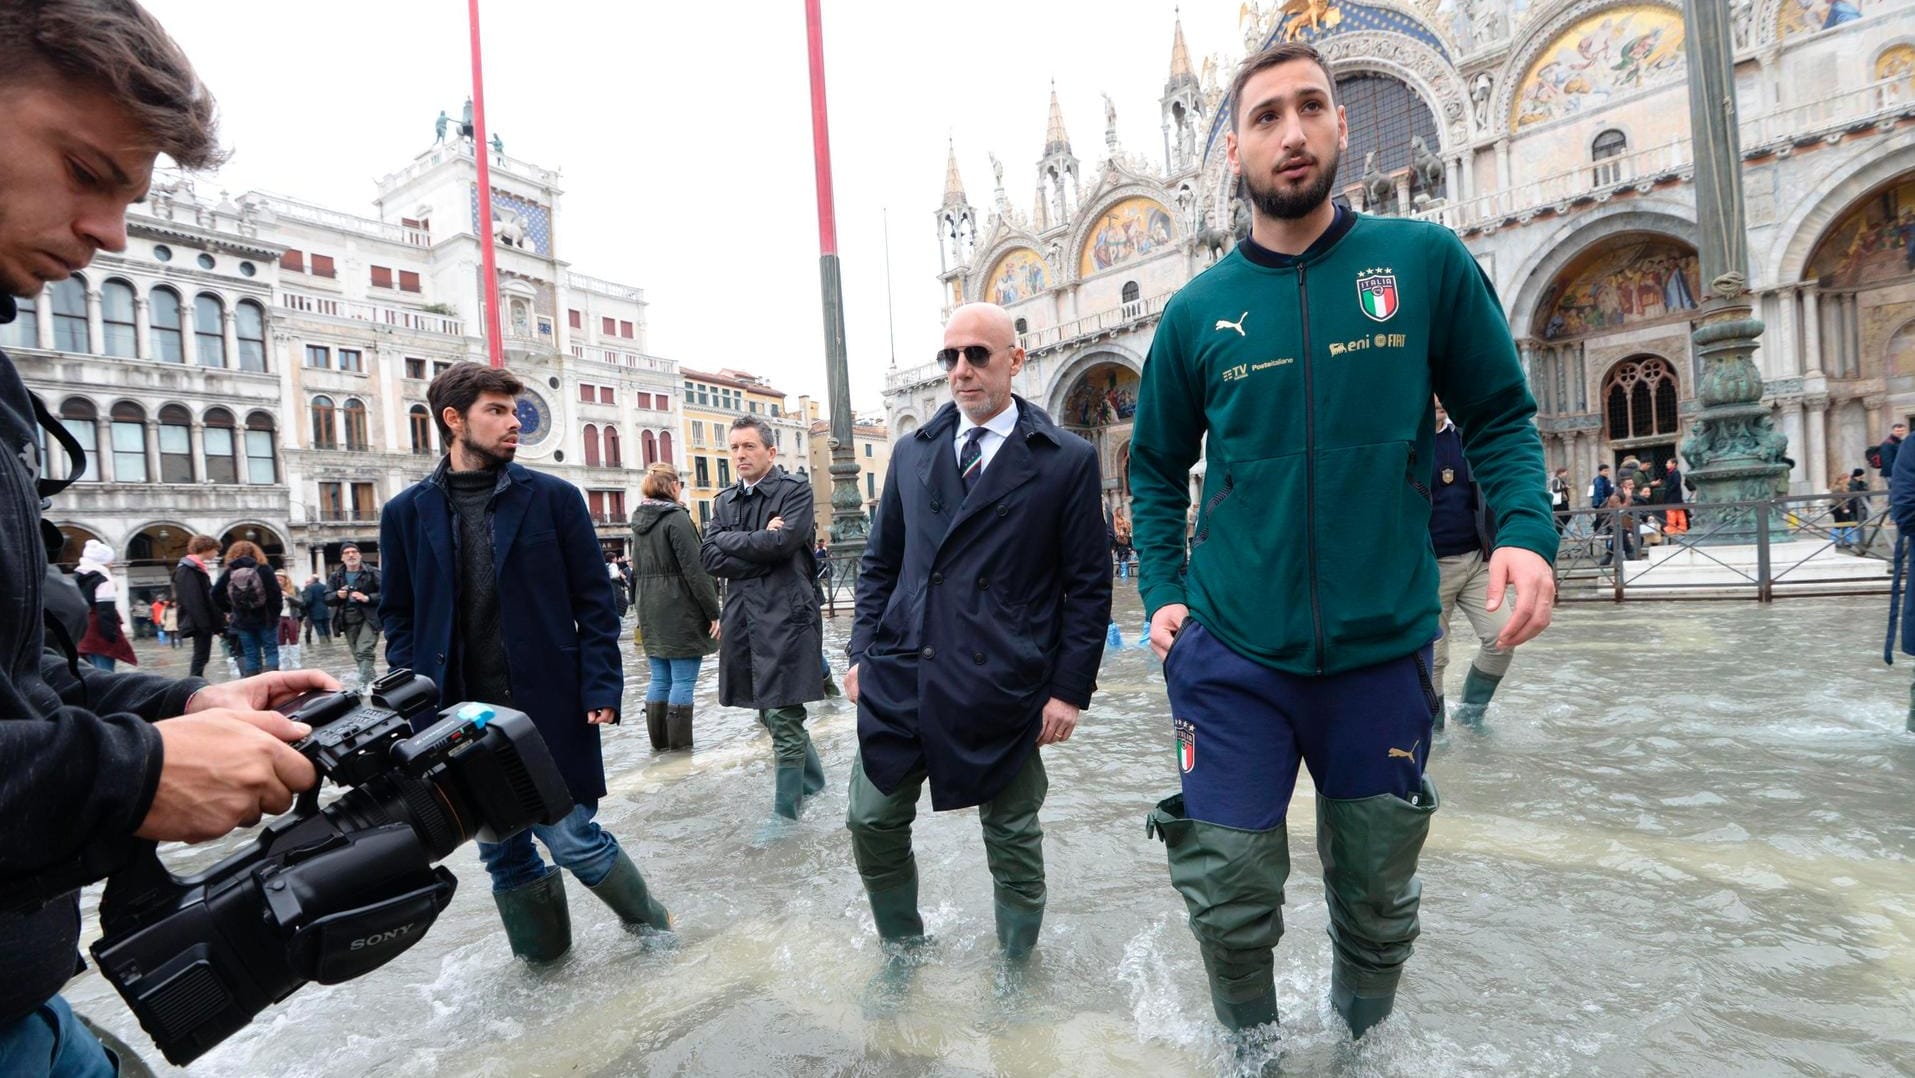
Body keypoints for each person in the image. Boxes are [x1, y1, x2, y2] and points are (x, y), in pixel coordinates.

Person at [1127, 43, 1557, 1042]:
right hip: (1232, 652)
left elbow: (1497, 414)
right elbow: (1152, 468)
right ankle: (1253, 1057)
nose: (1291, 131)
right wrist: (1162, 593)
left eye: (1310, 107)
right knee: (1227, 894)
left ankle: (1356, 1050)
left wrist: (1526, 534)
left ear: (1341, 125)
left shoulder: (1423, 264)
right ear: (1232, 149)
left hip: (1380, 648)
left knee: (1374, 899)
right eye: (1267, 116)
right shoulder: (1195, 315)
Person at [0, 5, 336, 1070]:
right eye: (84, 168)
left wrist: (178, 704)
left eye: (128, 197)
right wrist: (139, 773)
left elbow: (21, 688)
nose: (108, 234)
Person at [844, 301, 1110, 966]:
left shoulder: (1065, 460)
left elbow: (1088, 586)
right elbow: (879, 564)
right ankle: (902, 950)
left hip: (1006, 677)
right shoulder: (911, 452)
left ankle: (1016, 972)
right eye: (949, 357)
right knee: (869, 820)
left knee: (1012, 834)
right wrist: (859, 654)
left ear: (1014, 361)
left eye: (976, 355)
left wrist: (1067, 691)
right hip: (904, 668)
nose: (960, 370)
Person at [382, 362, 669, 962]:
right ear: (453, 420)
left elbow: (596, 604)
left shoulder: (557, 500)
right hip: (454, 719)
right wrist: (411, 703)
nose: (515, 423)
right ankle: (546, 971)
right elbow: (400, 615)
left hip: (549, 705)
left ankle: (660, 939)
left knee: (572, 839)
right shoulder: (405, 513)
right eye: (497, 411)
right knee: (503, 854)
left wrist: (601, 686)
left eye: (514, 411)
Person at [700, 415, 828, 822]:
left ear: (770, 452)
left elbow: (785, 542)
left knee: (784, 714)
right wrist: (759, 545)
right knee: (768, 712)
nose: (740, 454)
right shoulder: (724, 500)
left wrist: (733, 544)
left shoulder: (795, 491)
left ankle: (785, 817)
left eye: (749, 446)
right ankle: (816, 784)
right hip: (743, 620)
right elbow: (709, 556)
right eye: (734, 447)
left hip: (787, 617)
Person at [1427, 400, 1515, 728]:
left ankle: (1472, 714)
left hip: (1478, 560)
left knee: (1503, 637)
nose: (1436, 399)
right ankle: (1435, 731)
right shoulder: (1404, 444)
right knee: (1434, 656)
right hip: (1429, 568)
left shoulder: (1468, 438)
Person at [630, 461, 721, 751]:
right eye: (679, 483)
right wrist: (713, 611)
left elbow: (635, 572)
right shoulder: (676, 518)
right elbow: (696, 569)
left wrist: (637, 609)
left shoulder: (639, 520)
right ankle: (680, 751)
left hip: (649, 608)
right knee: (683, 681)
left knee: (659, 678)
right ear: (672, 486)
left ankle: (660, 747)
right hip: (678, 607)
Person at [214, 539, 282, 676]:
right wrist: (275, 614)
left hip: (242, 620)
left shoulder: (230, 572)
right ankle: (273, 683)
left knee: (250, 654)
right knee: (271, 651)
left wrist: (230, 608)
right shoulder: (264, 569)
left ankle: (253, 684)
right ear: (256, 552)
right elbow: (276, 594)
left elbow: (215, 593)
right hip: (266, 618)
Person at [74, 540, 134, 672]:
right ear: (103, 561)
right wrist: (111, 637)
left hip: (84, 632)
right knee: (105, 673)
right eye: (110, 561)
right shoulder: (103, 580)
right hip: (100, 633)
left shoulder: (78, 577)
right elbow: (106, 610)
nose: (112, 564)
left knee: (93, 671)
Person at [328, 542, 381, 688]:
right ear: (342, 558)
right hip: (347, 618)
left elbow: (387, 594)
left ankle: (362, 687)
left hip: (369, 618)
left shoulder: (372, 572)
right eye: (347, 553)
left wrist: (367, 598)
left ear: (360, 555)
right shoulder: (336, 576)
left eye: (353, 552)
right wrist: (338, 595)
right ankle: (373, 682)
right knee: (358, 654)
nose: (351, 555)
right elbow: (327, 598)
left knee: (364, 650)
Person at [171, 534, 221, 677]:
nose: (217, 553)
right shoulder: (188, 569)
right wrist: (204, 623)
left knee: (202, 654)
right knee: (200, 655)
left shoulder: (195, 567)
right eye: (215, 550)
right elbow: (193, 599)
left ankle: (196, 681)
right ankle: (194, 683)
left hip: (201, 619)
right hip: (199, 620)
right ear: (206, 549)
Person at [300, 573, 331, 644]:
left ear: (313, 580)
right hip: (325, 611)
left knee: (320, 629)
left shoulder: (309, 588)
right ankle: (329, 642)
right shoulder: (324, 586)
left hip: (314, 612)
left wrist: (303, 606)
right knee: (327, 628)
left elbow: (308, 600)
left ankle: (324, 644)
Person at [1547, 466, 1572, 535]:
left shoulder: (1561, 481)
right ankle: (1558, 531)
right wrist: (1564, 488)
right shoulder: (1556, 480)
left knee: (1567, 516)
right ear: (1561, 473)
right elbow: (1555, 490)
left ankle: (1559, 530)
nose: (1566, 474)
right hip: (1559, 502)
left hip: (1564, 501)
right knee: (1561, 517)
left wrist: (1565, 488)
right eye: (1566, 472)